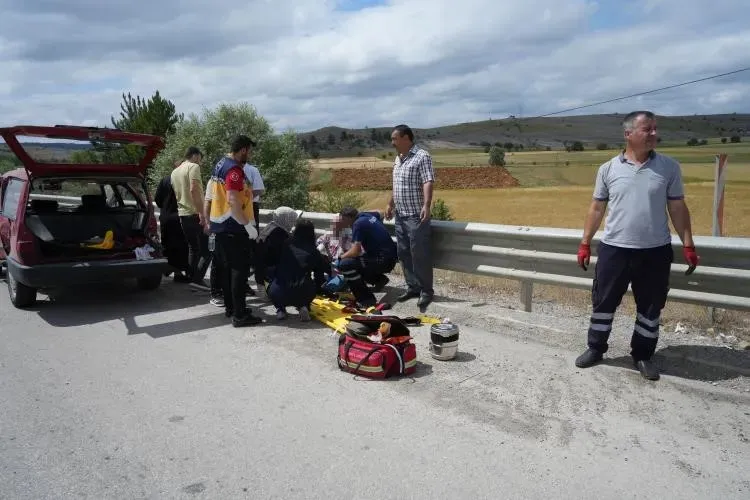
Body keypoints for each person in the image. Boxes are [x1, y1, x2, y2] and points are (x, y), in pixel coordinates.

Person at [575, 110, 700, 381]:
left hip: (655, 251)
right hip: (614, 249)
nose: (654, 134)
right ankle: (596, 348)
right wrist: (585, 243)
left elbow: (677, 207)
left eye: (655, 129)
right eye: (648, 129)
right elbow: (597, 208)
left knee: (651, 306)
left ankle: (642, 355)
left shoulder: (669, 167)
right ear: (628, 134)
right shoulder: (608, 169)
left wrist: (688, 244)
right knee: (603, 302)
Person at [208, 136, 263, 327]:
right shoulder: (233, 169)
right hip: (233, 227)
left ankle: (232, 308)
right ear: (243, 150)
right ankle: (240, 315)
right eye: (250, 151)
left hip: (221, 226)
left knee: (226, 270)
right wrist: (247, 225)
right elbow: (232, 200)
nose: (250, 154)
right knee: (239, 271)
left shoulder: (220, 163)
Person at [385, 124, 435, 309]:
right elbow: (396, 185)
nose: (392, 143)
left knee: (419, 254)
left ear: (406, 138)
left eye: (395, 139)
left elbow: (428, 181)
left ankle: (426, 291)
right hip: (400, 215)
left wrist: (426, 205)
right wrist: (390, 204)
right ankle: (413, 287)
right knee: (404, 252)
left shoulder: (422, 156)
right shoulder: (398, 159)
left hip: (416, 215)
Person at [267, 219, 329, 321]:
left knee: (272, 276)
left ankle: (280, 309)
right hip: (304, 292)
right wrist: (316, 290)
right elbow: (319, 277)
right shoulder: (314, 251)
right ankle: (303, 306)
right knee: (305, 285)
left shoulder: (285, 244)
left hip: (278, 292)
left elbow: (271, 262)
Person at [336, 207, 397, 308]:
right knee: (359, 261)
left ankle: (366, 300)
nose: (343, 223)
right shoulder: (367, 216)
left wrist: (341, 257)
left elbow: (356, 251)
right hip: (390, 257)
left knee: (345, 264)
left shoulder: (358, 224)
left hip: (382, 260)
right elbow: (379, 213)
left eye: (343, 220)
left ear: (348, 218)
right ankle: (378, 280)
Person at [171, 147, 211, 286]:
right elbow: (194, 189)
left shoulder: (175, 172)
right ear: (195, 155)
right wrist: (202, 214)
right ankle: (197, 280)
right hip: (195, 213)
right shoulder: (193, 167)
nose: (200, 161)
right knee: (207, 250)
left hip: (182, 214)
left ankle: (191, 277)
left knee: (193, 248)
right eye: (200, 157)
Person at [153, 160, 190, 282]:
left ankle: (166, 268)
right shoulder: (185, 181)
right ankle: (178, 273)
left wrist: (165, 206)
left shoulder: (165, 180)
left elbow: (157, 199)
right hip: (179, 217)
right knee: (180, 247)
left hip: (165, 217)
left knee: (166, 244)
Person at [254, 206, 300, 294]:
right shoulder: (279, 234)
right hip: (269, 269)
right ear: (286, 219)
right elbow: (282, 255)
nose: (294, 222)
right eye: (292, 219)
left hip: (261, 268)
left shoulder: (272, 227)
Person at [242, 162, 265, 235]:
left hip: (251, 206)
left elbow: (259, 190)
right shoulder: (230, 170)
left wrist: (246, 200)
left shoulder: (252, 170)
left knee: (252, 233)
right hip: (235, 206)